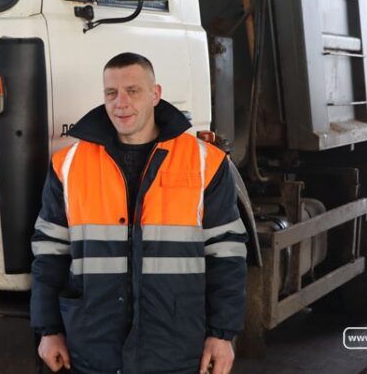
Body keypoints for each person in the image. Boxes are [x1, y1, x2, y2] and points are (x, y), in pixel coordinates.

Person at [30, 53, 247, 374]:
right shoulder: (69, 164)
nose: (121, 103)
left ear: (155, 94)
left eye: (132, 91)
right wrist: (48, 330)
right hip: (93, 346)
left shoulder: (205, 162)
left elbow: (226, 254)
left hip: (175, 346)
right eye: (111, 93)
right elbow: (49, 254)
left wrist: (222, 334)